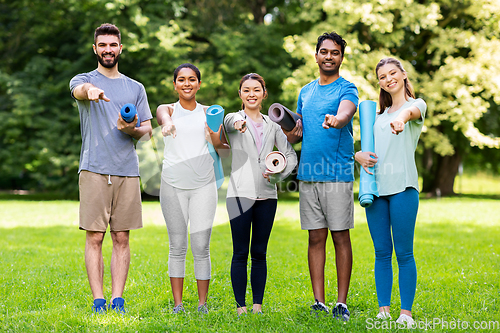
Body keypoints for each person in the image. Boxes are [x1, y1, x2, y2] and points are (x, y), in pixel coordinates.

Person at [70, 23, 153, 314]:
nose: (108, 50)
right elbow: (78, 90)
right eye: (102, 45)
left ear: (120, 48)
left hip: (127, 170)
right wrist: (91, 91)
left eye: (112, 45)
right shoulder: (85, 79)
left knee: (122, 236)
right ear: (95, 49)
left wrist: (129, 129)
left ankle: (118, 299)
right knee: (95, 236)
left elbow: (147, 129)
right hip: (93, 169)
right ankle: (98, 300)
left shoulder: (135, 88)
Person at [284, 32, 358, 321]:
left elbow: (345, 114)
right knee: (315, 237)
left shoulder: (347, 88)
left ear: (341, 57)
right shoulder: (306, 91)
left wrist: (336, 120)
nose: (329, 56)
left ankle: (341, 303)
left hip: (337, 174)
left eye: (335, 52)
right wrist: (291, 132)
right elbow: (296, 132)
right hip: (309, 174)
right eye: (324, 52)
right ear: (316, 56)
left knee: (340, 236)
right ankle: (319, 302)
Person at [354, 57, 426, 327]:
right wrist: (358, 154)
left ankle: (405, 313)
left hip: (404, 188)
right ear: (380, 83)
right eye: (382, 76)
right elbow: (369, 148)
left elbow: (410, 114)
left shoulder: (415, 107)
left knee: (404, 253)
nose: (388, 79)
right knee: (381, 252)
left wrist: (401, 120)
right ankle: (383, 309)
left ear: (403, 75)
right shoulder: (377, 117)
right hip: (375, 189)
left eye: (392, 73)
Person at [156, 63, 229, 314]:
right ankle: (178, 304)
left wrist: (215, 138)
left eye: (192, 79)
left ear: (199, 83)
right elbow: (163, 116)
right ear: (174, 84)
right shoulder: (167, 109)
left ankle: (201, 304)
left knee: (201, 246)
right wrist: (167, 124)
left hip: (203, 186)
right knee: (177, 246)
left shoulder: (210, 112)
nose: (187, 84)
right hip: (173, 185)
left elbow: (224, 147)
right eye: (181, 80)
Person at [223, 73, 297, 316]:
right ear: (240, 94)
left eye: (256, 89)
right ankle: (240, 306)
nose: (251, 94)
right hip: (239, 195)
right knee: (240, 252)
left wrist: (276, 175)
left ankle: (257, 306)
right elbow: (228, 122)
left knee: (260, 253)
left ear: (264, 93)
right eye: (246, 90)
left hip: (267, 196)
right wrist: (237, 124)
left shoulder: (273, 126)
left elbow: (290, 156)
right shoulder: (233, 119)